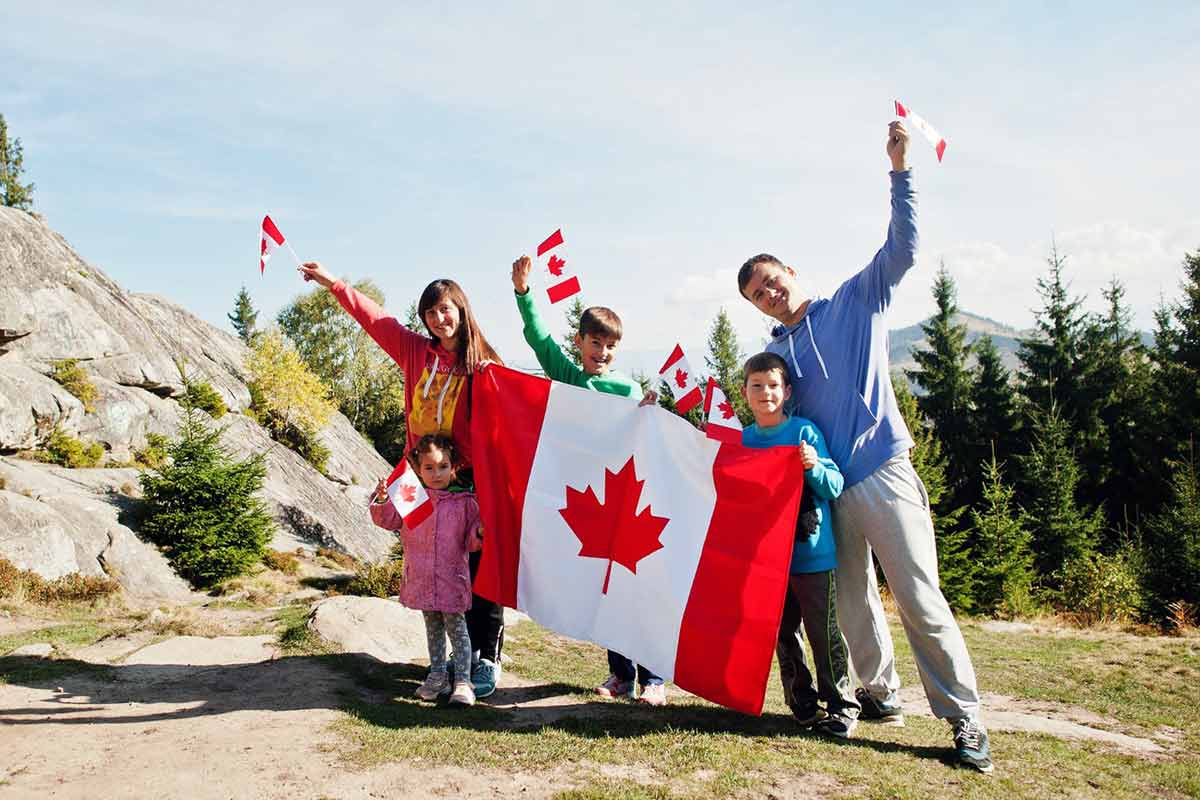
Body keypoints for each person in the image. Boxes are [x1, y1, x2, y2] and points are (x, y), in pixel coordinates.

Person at [733, 121, 993, 773]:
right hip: (829, 490)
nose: (769, 294)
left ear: (790, 271)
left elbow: (903, 249)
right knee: (851, 602)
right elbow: (766, 423)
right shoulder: (777, 357)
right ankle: (879, 692)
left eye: (771, 280)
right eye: (757, 294)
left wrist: (900, 170)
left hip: (883, 471)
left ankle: (964, 718)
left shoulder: (854, 300)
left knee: (918, 596)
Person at [298, 262, 506, 698]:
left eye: (445, 309)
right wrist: (332, 282)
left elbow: (515, 410)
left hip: (468, 481)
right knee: (427, 561)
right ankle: (445, 663)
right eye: (430, 312)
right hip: (415, 476)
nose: (439, 319)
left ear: (461, 310)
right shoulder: (415, 351)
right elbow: (375, 319)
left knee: (476, 567)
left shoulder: (483, 363)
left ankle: (484, 658)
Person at [509, 254, 666, 706]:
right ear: (580, 343)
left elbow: (647, 439)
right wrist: (523, 293)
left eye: (611, 346)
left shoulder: (628, 390)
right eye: (595, 343)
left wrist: (648, 411)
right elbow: (539, 340)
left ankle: (654, 678)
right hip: (592, 503)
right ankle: (621, 674)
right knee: (607, 590)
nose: (603, 352)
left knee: (635, 590)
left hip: (628, 501)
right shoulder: (570, 378)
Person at [739, 352, 860, 738]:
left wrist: (813, 466)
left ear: (787, 391)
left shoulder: (805, 433)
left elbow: (834, 486)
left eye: (773, 385)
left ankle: (841, 705)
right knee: (783, 632)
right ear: (744, 393)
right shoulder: (742, 440)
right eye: (757, 386)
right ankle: (801, 700)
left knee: (823, 632)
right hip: (766, 561)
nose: (766, 393)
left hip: (812, 556)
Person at [370, 434, 483, 706]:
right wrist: (383, 499)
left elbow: (471, 543)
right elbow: (388, 520)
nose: (436, 473)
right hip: (421, 578)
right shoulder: (411, 496)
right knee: (433, 629)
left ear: (453, 467)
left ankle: (463, 682)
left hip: (451, 580)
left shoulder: (465, 503)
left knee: (458, 629)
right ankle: (437, 677)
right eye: (429, 467)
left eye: (443, 466)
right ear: (418, 470)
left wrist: (480, 532)